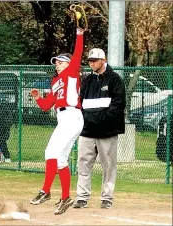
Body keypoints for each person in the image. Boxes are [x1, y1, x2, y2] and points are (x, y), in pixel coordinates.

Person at [29, 28, 85, 215]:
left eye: (61, 62)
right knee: (60, 159)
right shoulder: (55, 82)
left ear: (69, 64)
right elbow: (46, 106)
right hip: (64, 119)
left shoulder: (71, 73)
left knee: (50, 152)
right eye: (56, 62)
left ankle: (45, 191)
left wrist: (79, 34)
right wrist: (38, 97)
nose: (57, 64)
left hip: (72, 115)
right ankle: (66, 197)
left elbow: (77, 54)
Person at [73, 48, 126, 209]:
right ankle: (82, 197)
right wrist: (87, 120)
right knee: (83, 163)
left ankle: (107, 198)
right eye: (89, 60)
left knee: (108, 165)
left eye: (94, 60)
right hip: (88, 130)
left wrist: (101, 120)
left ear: (103, 60)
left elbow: (118, 106)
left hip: (107, 131)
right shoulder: (87, 80)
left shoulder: (115, 79)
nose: (91, 63)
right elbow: (80, 104)